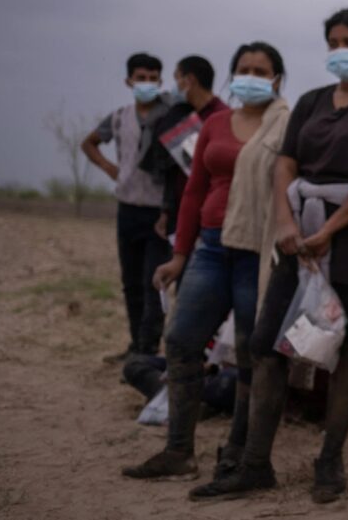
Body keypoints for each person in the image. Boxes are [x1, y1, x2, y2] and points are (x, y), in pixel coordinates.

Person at [190, 8, 348, 503]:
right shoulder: (312, 102)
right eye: (333, 40)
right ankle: (254, 462)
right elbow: (284, 165)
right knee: (267, 347)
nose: (341, 48)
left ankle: (329, 460)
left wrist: (330, 230)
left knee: (345, 347)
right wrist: (288, 226)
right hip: (298, 240)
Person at [121, 42, 290, 481]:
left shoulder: (287, 127)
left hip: (258, 249)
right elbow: (194, 190)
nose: (251, 75)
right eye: (244, 68)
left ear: (276, 79)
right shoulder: (213, 123)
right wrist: (179, 256)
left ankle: (236, 450)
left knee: (253, 352)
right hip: (211, 249)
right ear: (233, 75)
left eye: (261, 69)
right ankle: (179, 451)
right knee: (180, 340)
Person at [82, 52, 173, 361]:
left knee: (153, 283)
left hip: (159, 213)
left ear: (161, 81)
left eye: (152, 79)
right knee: (130, 282)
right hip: (128, 209)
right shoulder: (119, 117)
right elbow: (89, 143)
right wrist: (111, 169)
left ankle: (148, 349)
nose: (146, 84)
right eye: (141, 78)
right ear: (128, 81)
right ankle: (136, 345)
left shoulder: (169, 116)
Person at [139, 55, 229, 239]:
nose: (175, 86)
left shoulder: (222, 117)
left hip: (211, 215)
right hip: (181, 211)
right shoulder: (179, 116)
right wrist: (167, 211)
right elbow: (175, 170)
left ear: (190, 80)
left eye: (177, 78)